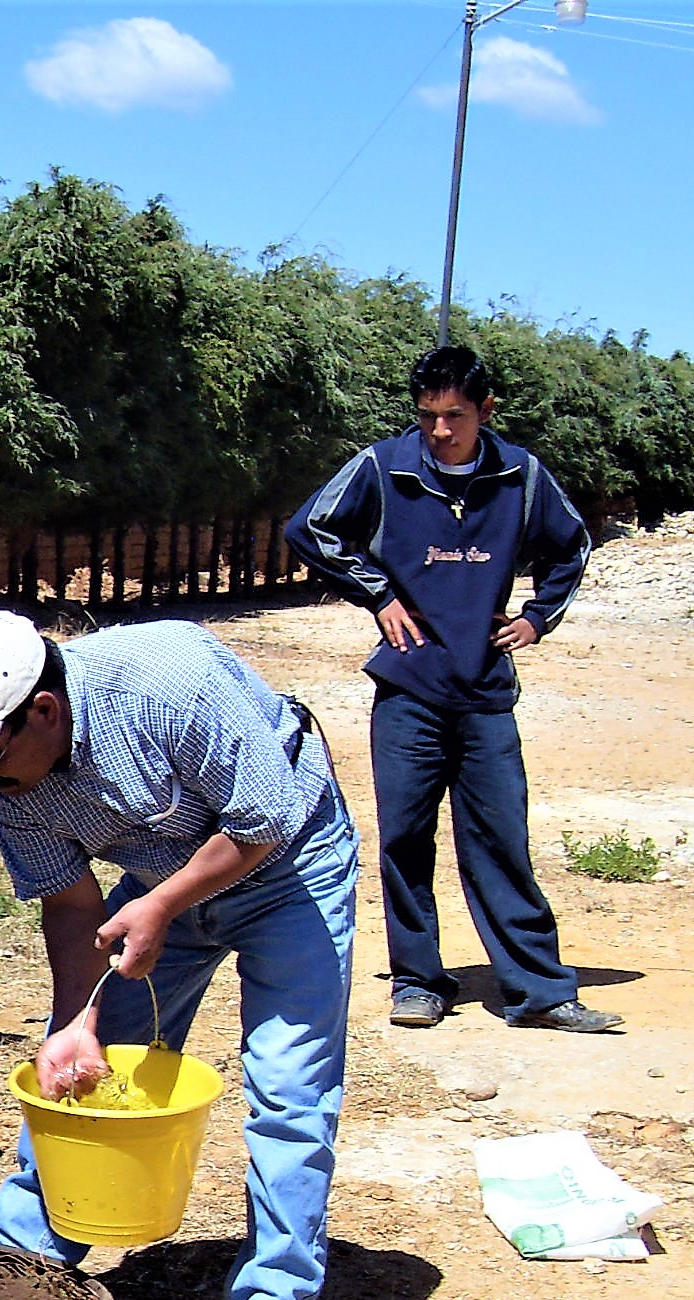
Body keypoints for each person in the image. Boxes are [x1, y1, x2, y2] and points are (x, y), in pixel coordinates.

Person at [0, 611, 359, 1300]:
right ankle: (24, 1266)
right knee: (78, 1078)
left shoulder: (166, 683)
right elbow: (72, 903)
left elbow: (263, 820)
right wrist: (72, 1024)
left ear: (43, 711)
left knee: (290, 1094)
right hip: (158, 887)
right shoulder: (13, 782)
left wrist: (163, 905)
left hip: (289, 868)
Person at [285, 345, 622, 1034]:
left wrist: (536, 619)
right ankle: (418, 982)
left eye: (455, 416)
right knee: (406, 839)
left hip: (485, 691)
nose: (440, 431)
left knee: (500, 839)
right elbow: (310, 528)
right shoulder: (385, 468)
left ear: (486, 410)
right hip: (409, 689)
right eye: (428, 416)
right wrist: (376, 595)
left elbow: (572, 545)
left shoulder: (519, 475)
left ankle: (540, 991)